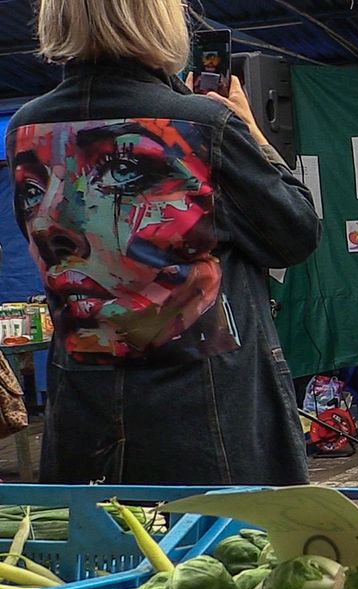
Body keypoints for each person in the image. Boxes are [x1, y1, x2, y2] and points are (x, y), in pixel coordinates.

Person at [5, 0, 319, 485]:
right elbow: (295, 233)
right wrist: (253, 133)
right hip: (205, 407)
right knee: (218, 555)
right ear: (161, 19)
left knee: (106, 551)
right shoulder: (203, 125)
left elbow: (35, 242)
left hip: (83, 409)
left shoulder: (27, 127)